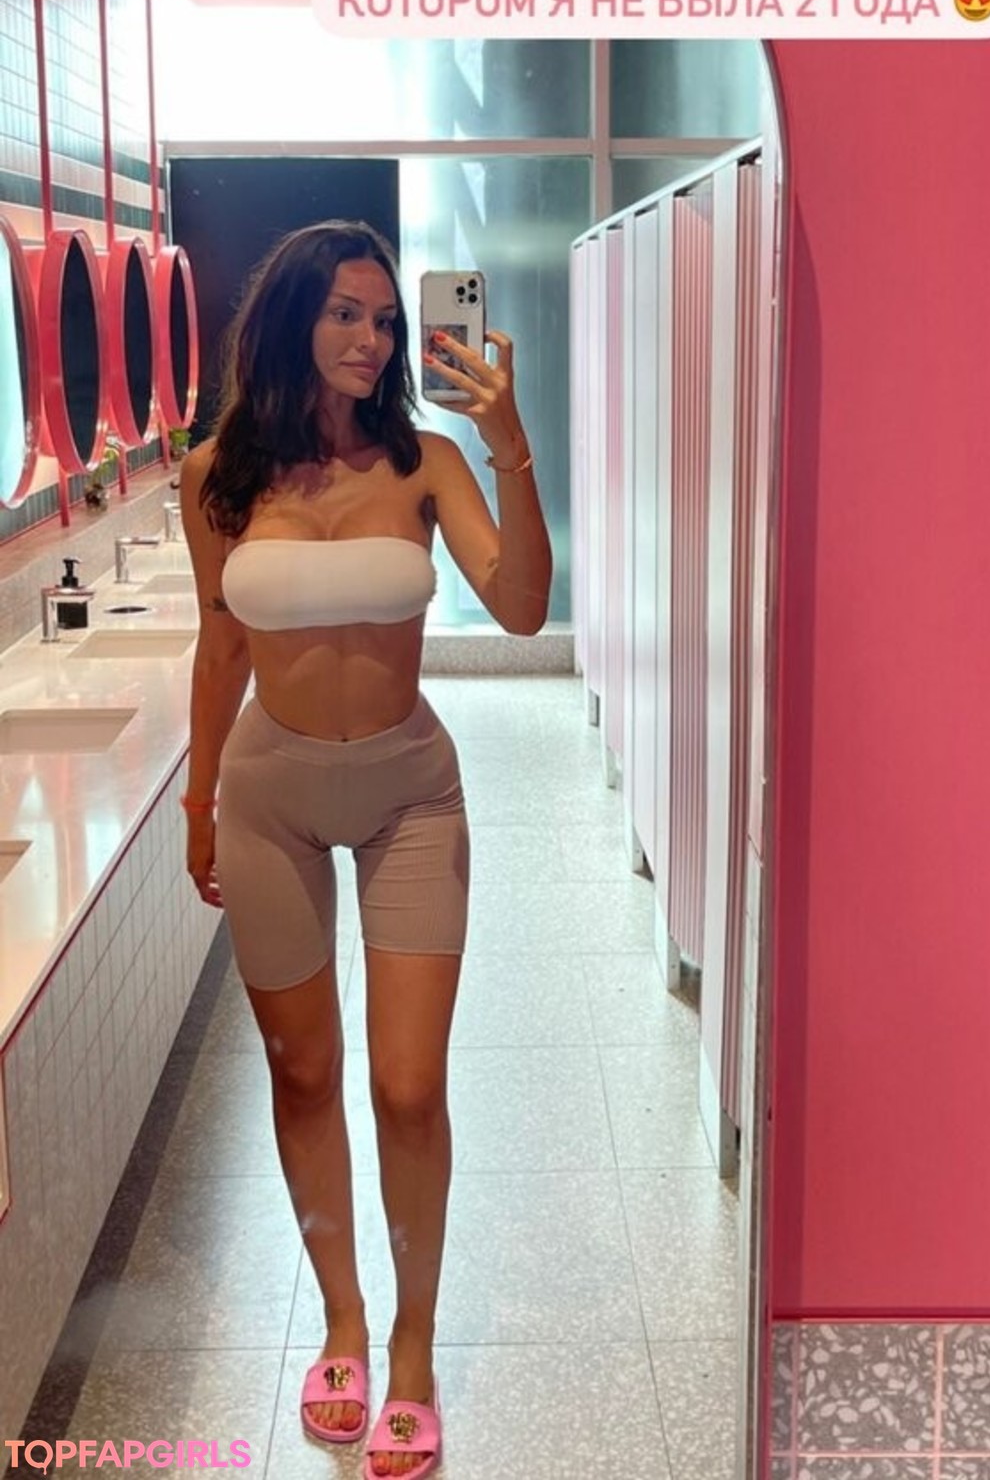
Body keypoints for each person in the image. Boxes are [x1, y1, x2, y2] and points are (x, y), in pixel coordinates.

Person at [178, 219, 552, 1477]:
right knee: (301, 1072)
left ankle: (413, 1343)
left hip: (409, 795)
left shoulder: (425, 460)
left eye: (385, 319)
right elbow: (220, 645)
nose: (373, 338)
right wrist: (195, 803)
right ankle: (341, 1319)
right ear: (292, 317)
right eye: (346, 312)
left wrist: (507, 442)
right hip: (268, 792)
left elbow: (523, 608)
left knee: (406, 1084)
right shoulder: (219, 473)